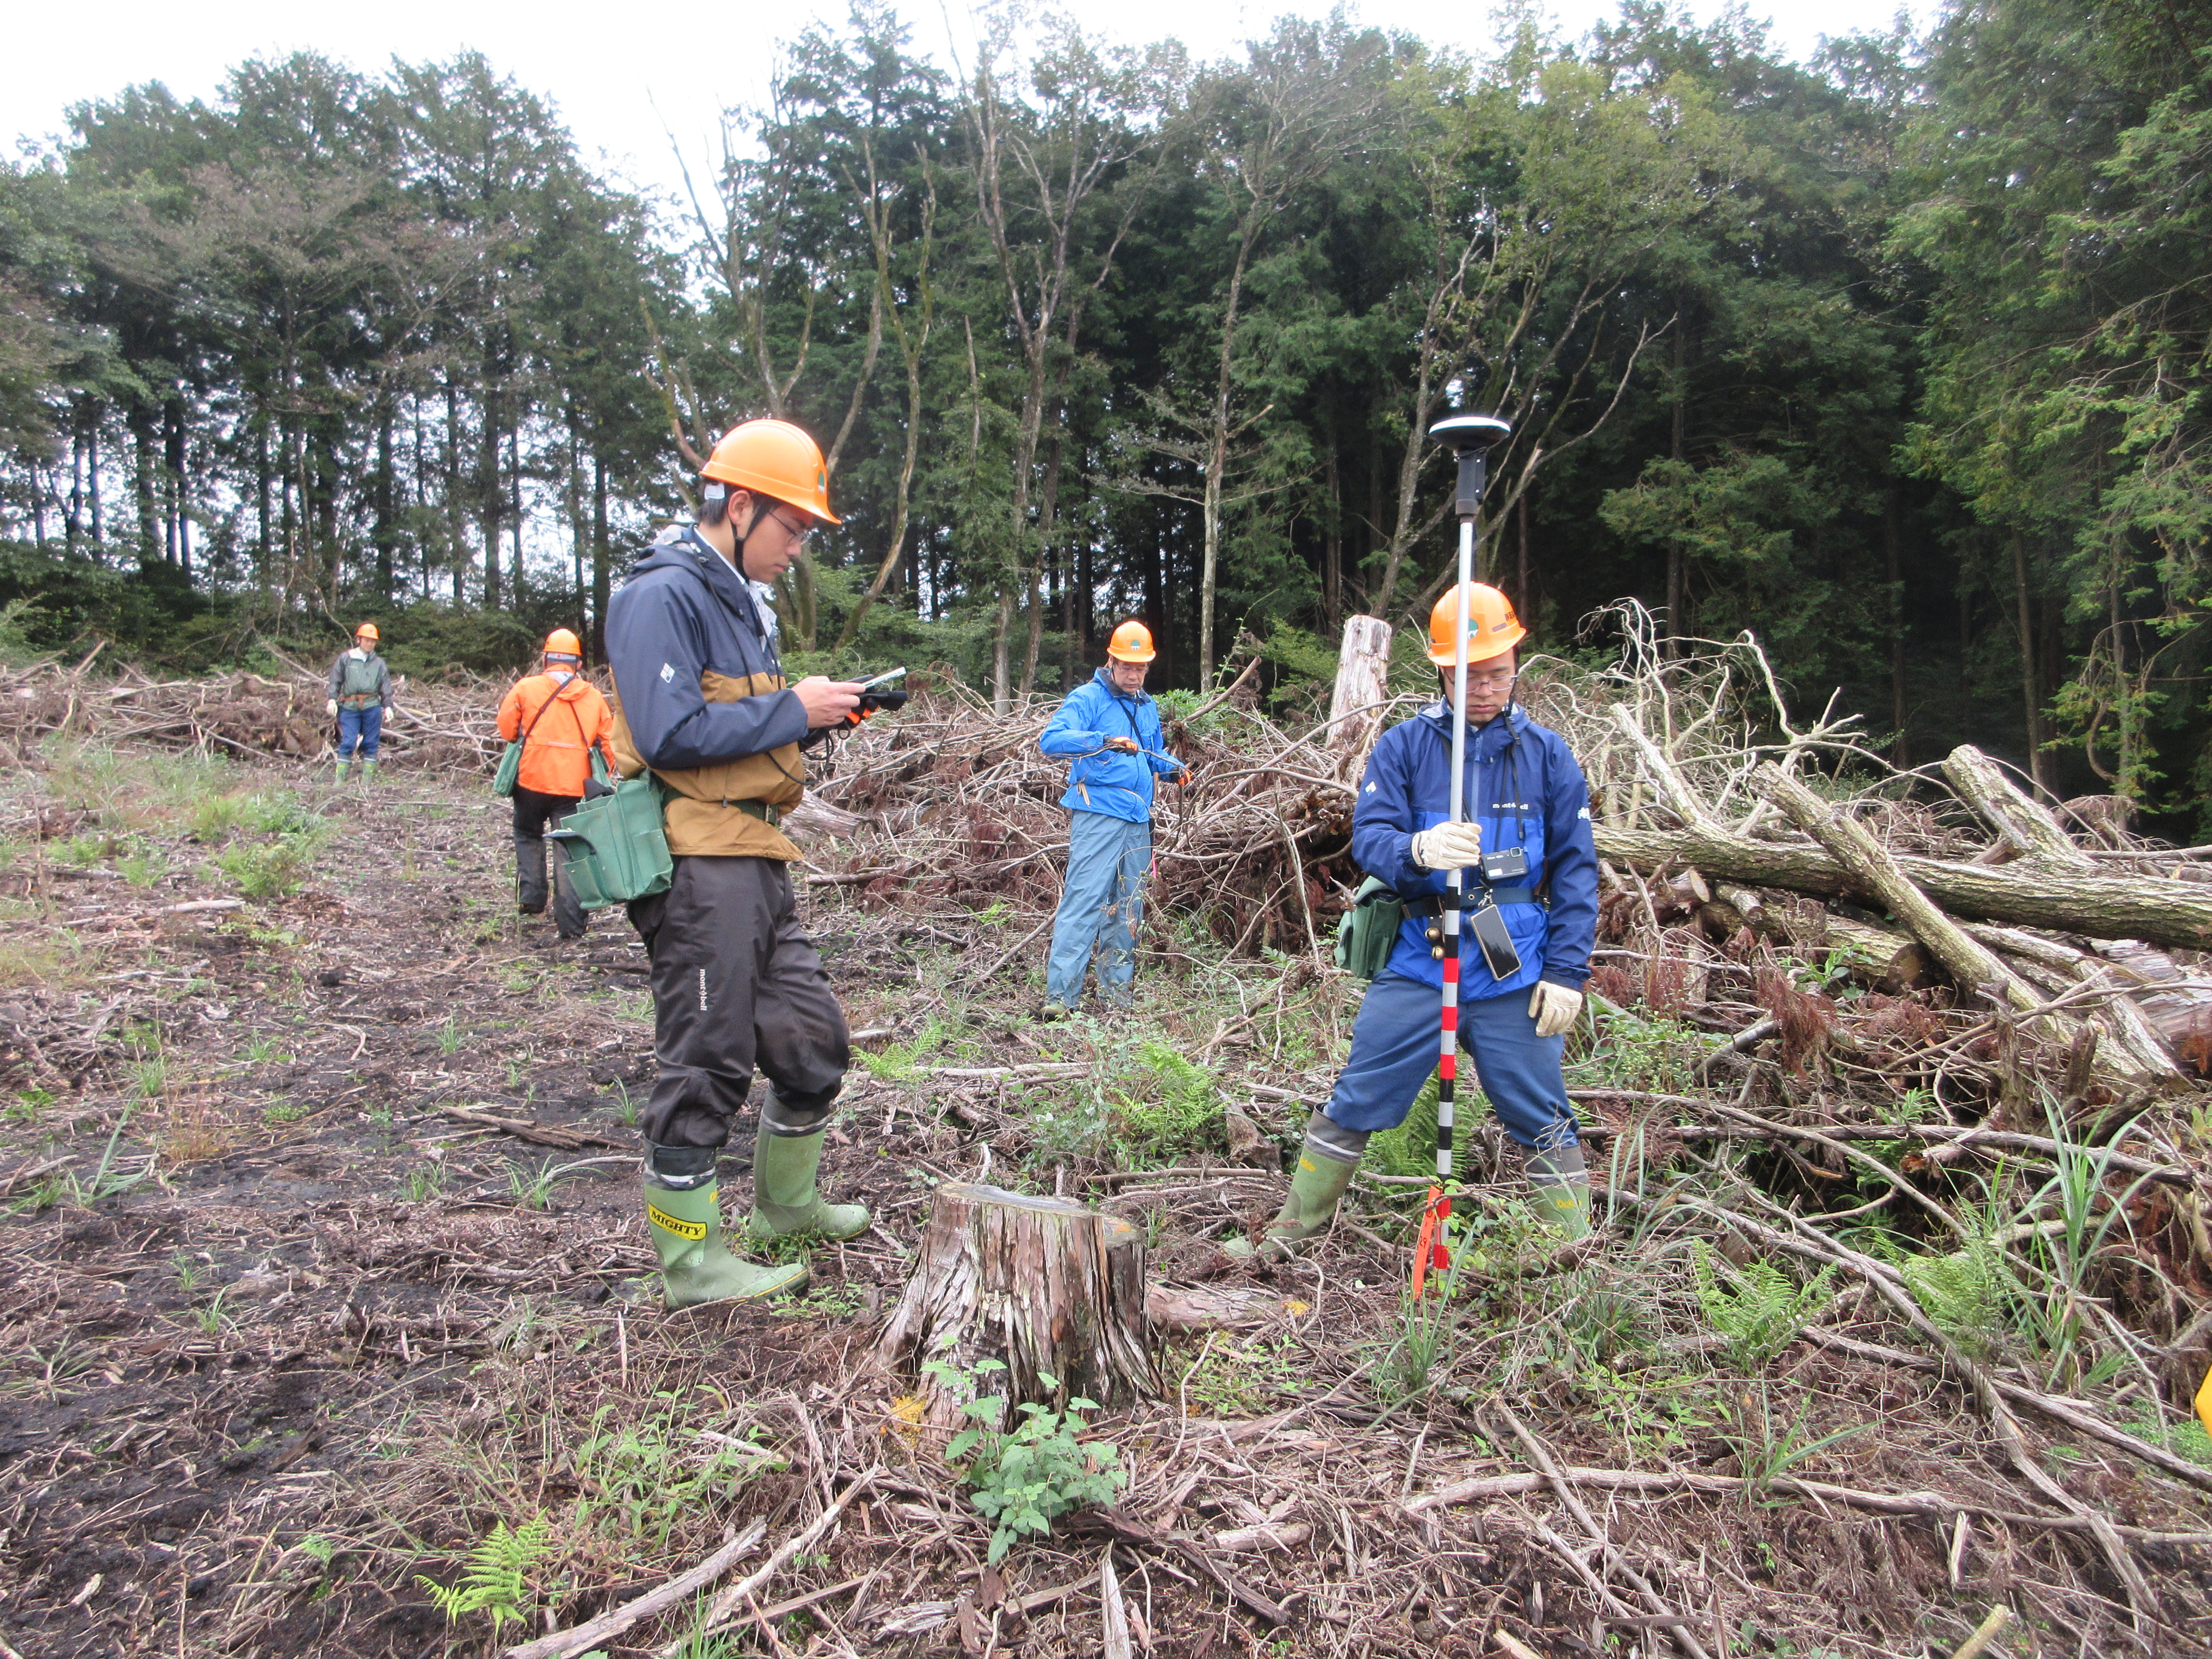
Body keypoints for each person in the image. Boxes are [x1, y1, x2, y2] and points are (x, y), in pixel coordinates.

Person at [1228, 583, 1598, 1258]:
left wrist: (1570, 972)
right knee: (1359, 1091)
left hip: (1512, 964)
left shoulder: (1549, 757)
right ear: (1440, 670)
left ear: (1517, 663)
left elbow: (1576, 870)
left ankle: (1573, 1258)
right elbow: (1369, 839)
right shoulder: (1405, 748)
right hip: (1420, 958)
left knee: (1542, 1112)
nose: (1485, 689)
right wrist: (1415, 851)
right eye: (1467, 675)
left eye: (1497, 673)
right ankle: (1288, 1238)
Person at [604, 417, 872, 1308]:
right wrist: (794, 710)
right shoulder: (663, 594)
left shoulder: (735, 602)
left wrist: (810, 714)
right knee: (707, 1056)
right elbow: (670, 734)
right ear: (741, 504)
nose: (798, 548)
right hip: (698, 858)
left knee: (811, 1039)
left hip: (758, 853)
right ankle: (690, 1264)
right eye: (792, 527)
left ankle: (786, 1208)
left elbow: (743, 725)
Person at [1038, 621, 1189, 1014]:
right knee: (1084, 901)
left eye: (1141, 668)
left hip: (1138, 820)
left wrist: (1175, 769)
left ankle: (1116, 1000)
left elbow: (1154, 752)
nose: (1134, 674)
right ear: (1111, 660)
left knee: (1128, 909)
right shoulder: (1087, 699)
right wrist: (1102, 741)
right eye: (1127, 667)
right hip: (1099, 815)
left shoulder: (1147, 705)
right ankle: (1060, 1000)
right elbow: (1051, 741)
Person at [497, 629, 617, 942]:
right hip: (574, 786)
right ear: (578, 663)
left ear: (546, 659)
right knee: (570, 851)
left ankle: (532, 898)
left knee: (527, 833)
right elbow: (610, 743)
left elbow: (507, 729)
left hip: (531, 780)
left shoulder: (525, 688)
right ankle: (573, 925)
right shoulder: (593, 697)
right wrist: (605, 771)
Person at [326, 622, 393, 783]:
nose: (370, 644)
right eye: (367, 640)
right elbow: (335, 681)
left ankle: (367, 782)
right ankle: (339, 781)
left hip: (372, 706)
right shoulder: (346, 659)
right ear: (359, 639)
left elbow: (385, 685)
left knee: (371, 743)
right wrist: (332, 700)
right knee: (348, 741)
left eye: (373, 641)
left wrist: (388, 706)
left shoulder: (379, 663)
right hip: (349, 707)